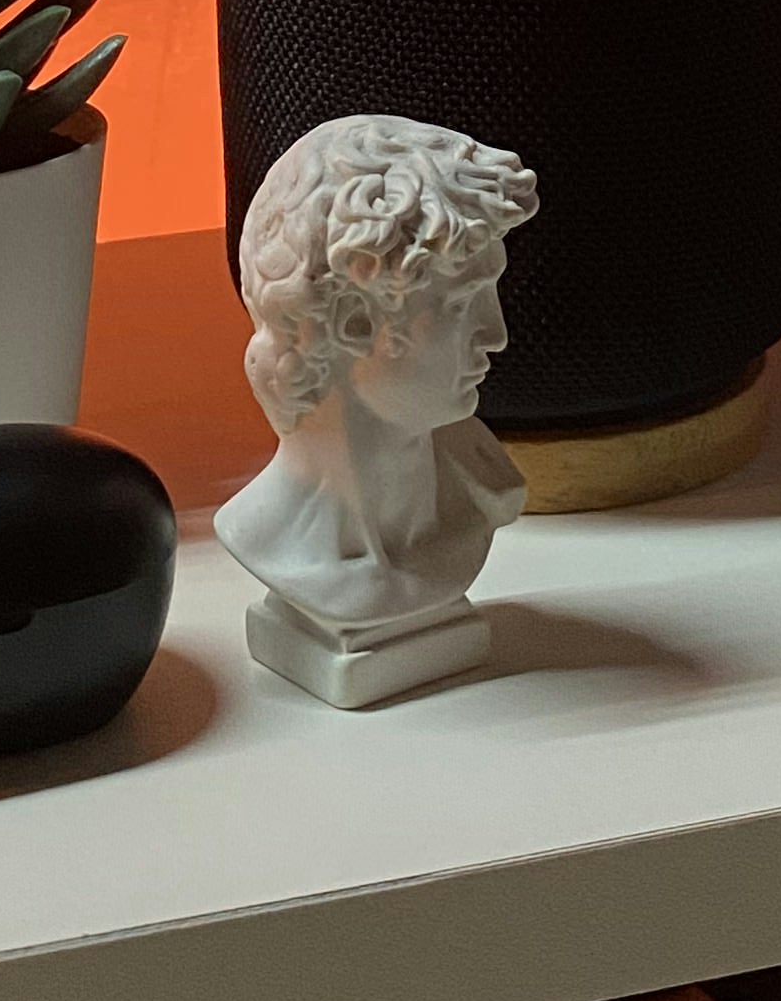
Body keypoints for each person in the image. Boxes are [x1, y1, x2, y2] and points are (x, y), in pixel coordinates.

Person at [215, 115, 539, 704]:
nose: (496, 335)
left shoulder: (481, 490)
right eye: (462, 303)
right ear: (354, 320)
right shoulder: (264, 533)